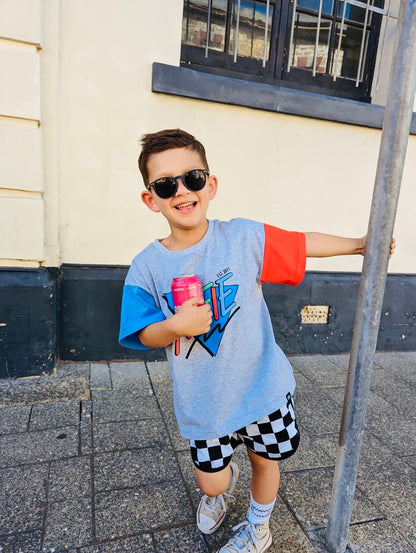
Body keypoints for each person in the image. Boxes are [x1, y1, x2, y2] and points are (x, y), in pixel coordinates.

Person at [119, 128, 395, 553]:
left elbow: (302, 244)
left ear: (210, 185)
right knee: (212, 477)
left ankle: (258, 526)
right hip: (204, 400)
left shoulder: (242, 237)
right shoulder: (146, 267)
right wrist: (175, 326)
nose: (181, 191)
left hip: (261, 387)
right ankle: (217, 495)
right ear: (150, 199)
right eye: (165, 184)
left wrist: (360, 245)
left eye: (192, 178)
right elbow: (141, 333)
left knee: (265, 460)